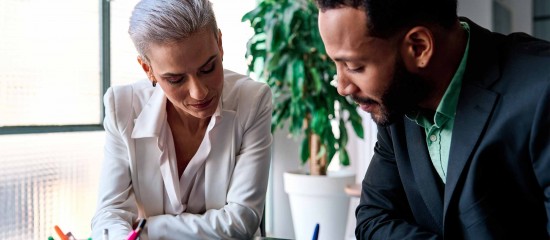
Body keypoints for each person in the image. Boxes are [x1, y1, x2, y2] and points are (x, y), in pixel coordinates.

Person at [315, 0, 550, 239]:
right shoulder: (397, 100)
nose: (342, 87)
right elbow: (373, 218)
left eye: (354, 66)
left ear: (418, 47)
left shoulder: (543, 92)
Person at [90, 0, 272, 239]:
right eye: (176, 80)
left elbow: (240, 221)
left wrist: (146, 229)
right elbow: (109, 214)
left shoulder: (252, 101)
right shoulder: (123, 107)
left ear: (220, 44)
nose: (199, 92)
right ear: (148, 69)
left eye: (208, 68)